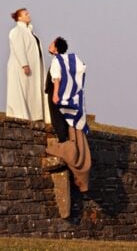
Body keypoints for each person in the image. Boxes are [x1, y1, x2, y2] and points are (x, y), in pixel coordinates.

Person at [45, 36, 91, 193]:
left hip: (57, 93)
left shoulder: (57, 60)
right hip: (68, 97)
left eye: (52, 43)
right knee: (65, 120)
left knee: (57, 118)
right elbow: (81, 69)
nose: (49, 44)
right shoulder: (71, 60)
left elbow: (56, 79)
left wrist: (56, 94)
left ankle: (63, 144)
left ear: (56, 48)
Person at [6, 8, 48, 121]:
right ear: (19, 18)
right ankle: (21, 116)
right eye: (26, 14)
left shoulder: (30, 32)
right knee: (22, 92)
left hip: (33, 68)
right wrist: (24, 64)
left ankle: (34, 116)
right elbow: (18, 48)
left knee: (31, 91)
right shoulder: (16, 31)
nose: (29, 15)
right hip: (21, 68)